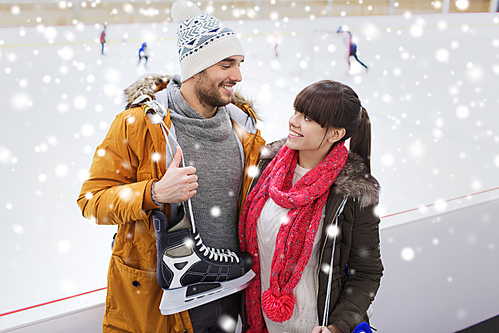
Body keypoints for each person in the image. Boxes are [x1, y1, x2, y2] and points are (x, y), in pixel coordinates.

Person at [77, 0, 265, 331]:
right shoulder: (140, 125)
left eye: (239, 63)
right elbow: (92, 202)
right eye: (226, 65)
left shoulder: (243, 128)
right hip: (166, 300)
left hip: (233, 291)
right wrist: (154, 192)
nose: (238, 76)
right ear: (197, 68)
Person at [239, 80, 383, 333]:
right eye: (296, 111)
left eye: (307, 117)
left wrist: (337, 327)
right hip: (260, 322)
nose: (293, 121)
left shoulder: (353, 193)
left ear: (336, 134)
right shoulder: (266, 169)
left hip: (312, 325)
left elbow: (367, 274)